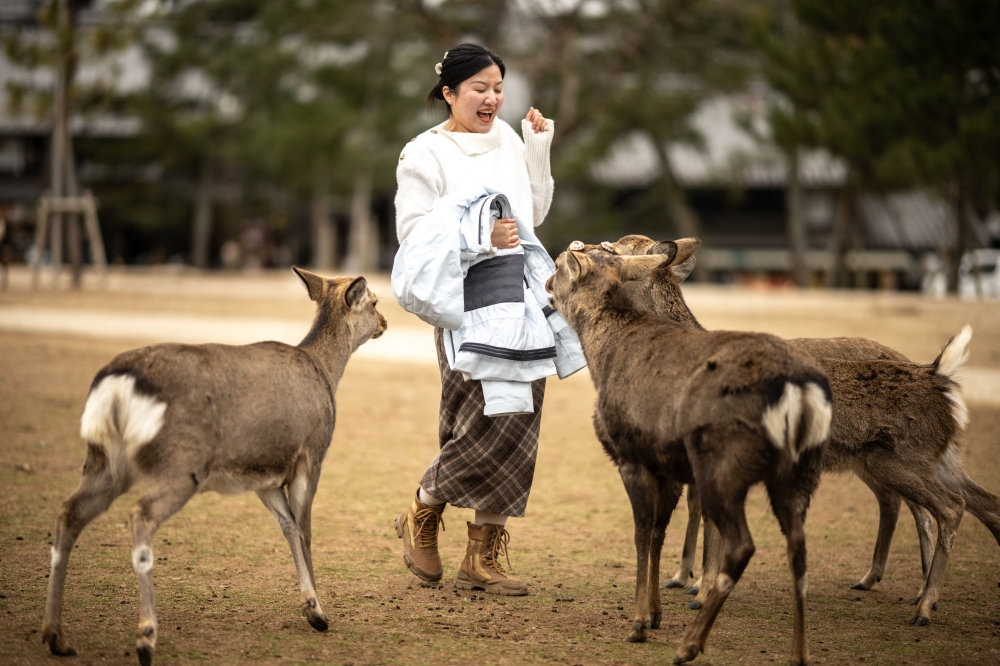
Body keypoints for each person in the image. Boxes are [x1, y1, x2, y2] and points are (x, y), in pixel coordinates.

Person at [393, 43, 557, 596]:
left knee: (522, 416)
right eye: (479, 89)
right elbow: (414, 237)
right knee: (477, 417)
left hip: (520, 296)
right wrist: (478, 239)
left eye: (498, 89)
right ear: (449, 93)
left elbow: (531, 217)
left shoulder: (508, 138)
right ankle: (424, 506)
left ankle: (481, 557)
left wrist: (537, 150)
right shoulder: (423, 154)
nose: (492, 99)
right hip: (464, 300)